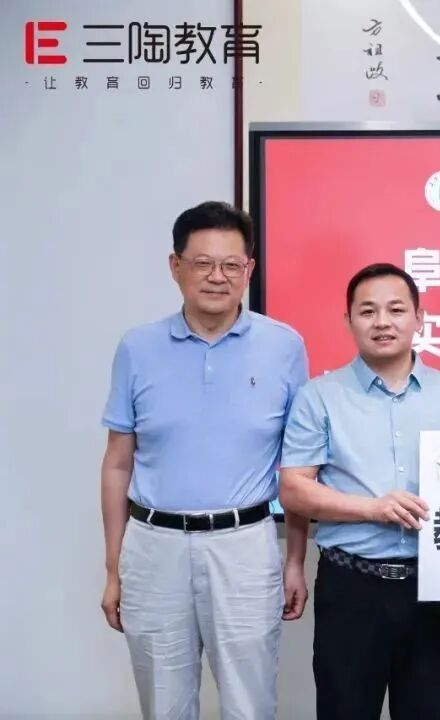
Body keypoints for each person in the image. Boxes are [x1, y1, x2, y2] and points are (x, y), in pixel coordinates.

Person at [99, 201, 311, 719]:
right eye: (203, 263)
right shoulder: (137, 347)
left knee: (249, 704)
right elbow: (117, 463)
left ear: (249, 269)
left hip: (245, 546)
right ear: (176, 266)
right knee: (164, 705)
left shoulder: (285, 347)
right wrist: (113, 567)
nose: (218, 277)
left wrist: (295, 560)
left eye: (231, 265)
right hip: (154, 547)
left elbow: (298, 468)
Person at [279, 263, 440, 720]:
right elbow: (293, 489)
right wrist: (373, 509)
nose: (382, 322)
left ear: (419, 318)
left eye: (396, 309)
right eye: (368, 311)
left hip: (433, 588)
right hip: (351, 588)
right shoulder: (320, 396)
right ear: (348, 320)